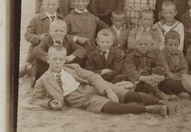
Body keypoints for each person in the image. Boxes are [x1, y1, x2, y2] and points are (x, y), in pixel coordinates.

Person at [30, 45, 169, 117]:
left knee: (122, 93)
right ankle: (152, 110)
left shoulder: (73, 67)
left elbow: (93, 77)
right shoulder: (43, 80)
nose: (58, 62)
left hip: (89, 87)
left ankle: (161, 103)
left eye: (61, 59)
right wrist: (49, 102)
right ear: (48, 59)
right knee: (109, 107)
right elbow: (35, 99)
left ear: (65, 59)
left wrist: (108, 90)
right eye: (54, 59)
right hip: (77, 98)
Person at [22, 0, 64, 82]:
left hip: (56, 50)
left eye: (53, 4)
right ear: (43, 4)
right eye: (48, 4)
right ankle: (28, 67)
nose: (51, 7)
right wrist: (39, 38)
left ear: (58, 5)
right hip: (41, 51)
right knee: (39, 75)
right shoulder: (36, 19)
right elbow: (27, 35)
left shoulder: (62, 18)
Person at [123, 32, 174, 101]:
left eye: (145, 44)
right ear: (136, 45)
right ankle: (158, 93)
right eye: (140, 44)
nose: (143, 46)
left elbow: (161, 66)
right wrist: (144, 78)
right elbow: (130, 71)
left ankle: (151, 93)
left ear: (150, 44)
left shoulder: (154, 55)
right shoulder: (131, 56)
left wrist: (162, 76)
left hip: (151, 81)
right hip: (139, 82)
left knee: (159, 69)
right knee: (143, 72)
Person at [154, 30, 191, 99]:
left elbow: (184, 68)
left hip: (180, 78)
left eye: (176, 45)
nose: (173, 47)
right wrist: (180, 78)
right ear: (165, 44)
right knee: (169, 82)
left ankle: (181, 92)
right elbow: (167, 72)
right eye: (170, 45)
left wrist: (182, 77)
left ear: (179, 44)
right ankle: (188, 91)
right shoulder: (161, 55)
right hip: (168, 79)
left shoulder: (180, 53)